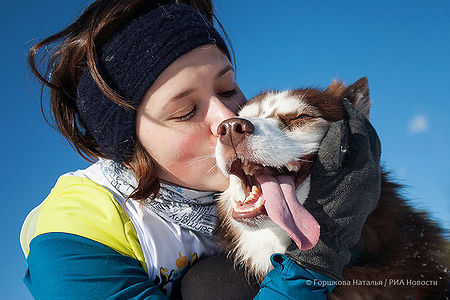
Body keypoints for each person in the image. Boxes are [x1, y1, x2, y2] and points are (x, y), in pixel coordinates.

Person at [20, 0, 382, 299]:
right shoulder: (74, 238)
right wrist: (316, 257)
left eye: (227, 89)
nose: (229, 118)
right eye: (184, 112)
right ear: (131, 147)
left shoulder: (255, 180)